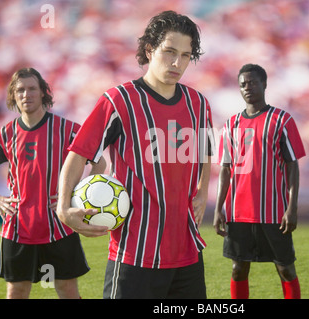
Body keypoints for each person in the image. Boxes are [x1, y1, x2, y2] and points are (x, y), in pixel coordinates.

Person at [56, 10, 213, 299]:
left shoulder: (198, 104)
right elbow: (79, 153)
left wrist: (202, 191)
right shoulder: (119, 101)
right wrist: (64, 208)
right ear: (150, 49)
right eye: (169, 52)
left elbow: (206, 151)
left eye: (186, 55)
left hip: (188, 252)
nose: (178, 62)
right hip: (135, 253)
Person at [0, 67, 106, 299]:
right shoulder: (5, 134)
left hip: (59, 224)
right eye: (20, 90)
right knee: (16, 291)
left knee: (67, 289)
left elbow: (99, 162)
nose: (26, 95)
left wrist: (76, 195)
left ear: (43, 92)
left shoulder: (66, 129)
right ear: (13, 96)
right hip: (17, 227)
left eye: (32, 89)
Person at [214, 64, 305, 299]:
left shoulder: (282, 120)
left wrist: (291, 208)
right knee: (238, 269)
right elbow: (226, 169)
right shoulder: (230, 125)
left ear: (264, 84)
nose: (248, 88)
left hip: (273, 213)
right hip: (238, 213)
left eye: (253, 82)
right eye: (243, 84)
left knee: (285, 268)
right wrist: (219, 208)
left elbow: (292, 165)